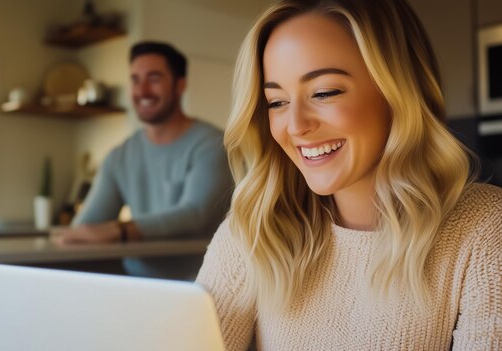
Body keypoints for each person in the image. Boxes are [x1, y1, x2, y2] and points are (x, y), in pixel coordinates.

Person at [195, 0, 502, 350]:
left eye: (324, 93)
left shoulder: (484, 229)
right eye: (276, 102)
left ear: (398, 92)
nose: (295, 126)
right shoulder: (257, 226)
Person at [52, 41, 234, 280]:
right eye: (135, 80)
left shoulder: (211, 144)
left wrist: (119, 231)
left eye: (154, 78)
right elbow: (87, 225)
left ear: (180, 85)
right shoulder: (120, 156)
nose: (142, 91)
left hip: (204, 286)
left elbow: (195, 215)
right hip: (138, 285)